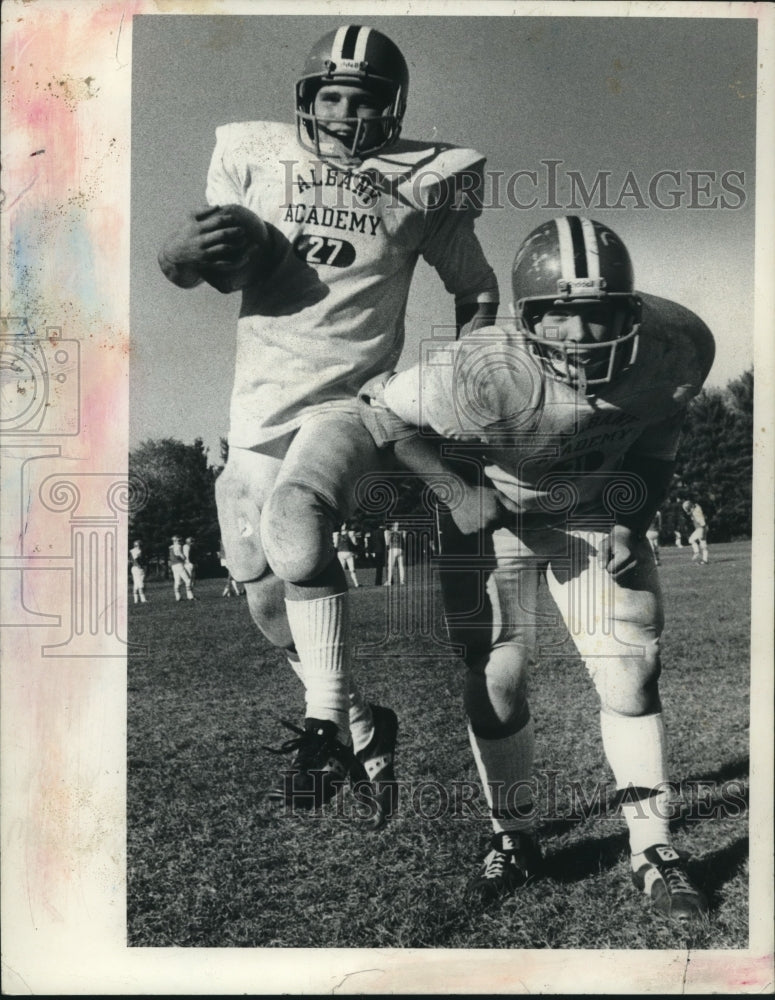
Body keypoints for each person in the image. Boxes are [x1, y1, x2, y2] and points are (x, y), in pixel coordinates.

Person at [157, 24, 498, 820]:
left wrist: (458, 377)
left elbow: (475, 289)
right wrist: (177, 256)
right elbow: (208, 267)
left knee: (297, 520)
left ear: (393, 106)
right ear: (307, 101)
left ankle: (320, 729)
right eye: (333, 96)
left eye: (366, 99)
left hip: (355, 394)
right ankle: (360, 723)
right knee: (263, 593)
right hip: (258, 402)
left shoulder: (427, 180)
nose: (347, 113)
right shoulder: (253, 154)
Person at [360, 216, 714, 923]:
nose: (582, 337)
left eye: (599, 314)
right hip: (496, 518)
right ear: (527, 319)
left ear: (630, 307)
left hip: (588, 511)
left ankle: (652, 846)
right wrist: (457, 492)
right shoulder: (476, 368)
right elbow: (377, 408)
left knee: (631, 670)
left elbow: (654, 446)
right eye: (560, 316)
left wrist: (629, 522)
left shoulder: (676, 346)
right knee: (496, 677)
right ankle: (513, 836)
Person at [680, 499, 709, 564]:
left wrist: (703, 532)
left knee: (691, 540)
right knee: (703, 546)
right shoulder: (697, 508)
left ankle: (696, 552)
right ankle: (705, 560)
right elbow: (696, 506)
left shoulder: (696, 513)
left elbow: (702, 523)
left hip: (700, 529)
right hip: (701, 528)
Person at [333, 522, 360, 588]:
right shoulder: (350, 533)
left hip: (340, 552)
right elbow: (355, 543)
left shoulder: (336, 534)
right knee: (352, 569)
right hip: (348, 552)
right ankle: (356, 583)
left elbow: (335, 545)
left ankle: (341, 584)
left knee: (342, 570)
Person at [169, 535, 194, 602]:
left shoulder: (171, 547)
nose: (180, 541)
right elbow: (179, 554)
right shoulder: (178, 546)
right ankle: (190, 596)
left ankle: (178, 597)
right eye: (179, 540)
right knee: (188, 580)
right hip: (179, 564)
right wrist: (184, 557)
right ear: (176, 541)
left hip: (173, 565)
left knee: (177, 581)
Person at [384, 521, 407, 585]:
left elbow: (387, 543)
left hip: (393, 549)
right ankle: (402, 581)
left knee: (390, 566)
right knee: (401, 566)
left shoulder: (389, 532)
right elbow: (404, 541)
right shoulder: (402, 532)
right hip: (400, 549)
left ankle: (389, 581)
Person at [129, 539, 148, 604]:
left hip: (137, 568)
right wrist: (139, 566)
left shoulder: (136, 551)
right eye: (138, 545)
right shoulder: (135, 551)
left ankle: (136, 600)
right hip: (137, 568)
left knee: (137, 584)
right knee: (140, 583)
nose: (139, 546)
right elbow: (136, 560)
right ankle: (142, 599)